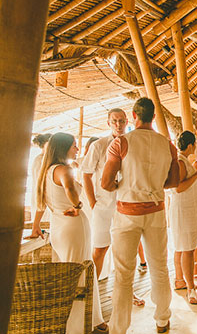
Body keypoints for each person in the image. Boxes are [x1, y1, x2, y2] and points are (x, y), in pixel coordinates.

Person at [101, 97, 180, 334]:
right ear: (153, 117)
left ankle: (119, 328)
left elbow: (105, 183)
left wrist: (122, 185)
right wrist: (152, 185)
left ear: (133, 116)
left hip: (127, 212)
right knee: (159, 267)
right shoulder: (168, 145)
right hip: (155, 211)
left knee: (124, 274)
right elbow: (173, 181)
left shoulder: (121, 143)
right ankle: (162, 320)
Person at [32, 133, 107, 333]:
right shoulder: (63, 170)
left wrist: (35, 225)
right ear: (63, 148)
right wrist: (77, 205)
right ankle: (77, 324)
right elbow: (70, 189)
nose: (77, 149)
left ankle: (89, 318)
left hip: (58, 226)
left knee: (68, 272)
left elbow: (40, 203)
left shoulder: (46, 171)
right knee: (80, 272)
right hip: (73, 226)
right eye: (74, 145)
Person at [81, 108, 147, 306]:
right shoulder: (99, 145)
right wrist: (93, 202)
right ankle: (89, 293)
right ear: (108, 123)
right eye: (114, 121)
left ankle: (127, 292)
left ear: (128, 121)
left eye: (121, 121)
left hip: (127, 205)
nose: (118, 125)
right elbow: (86, 173)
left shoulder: (134, 144)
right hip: (104, 206)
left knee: (127, 252)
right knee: (100, 250)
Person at [170, 131, 197, 304]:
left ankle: (179, 280)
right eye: (195, 144)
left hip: (186, 209)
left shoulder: (182, 160)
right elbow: (179, 187)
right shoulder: (180, 161)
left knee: (181, 247)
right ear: (191, 145)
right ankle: (191, 289)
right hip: (184, 210)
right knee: (188, 250)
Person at [29, 133, 51, 221]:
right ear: (44, 145)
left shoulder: (47, 159)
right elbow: (40, 180)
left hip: (45, 194)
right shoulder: (40, 160)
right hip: (41, 194)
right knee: (43, 220)